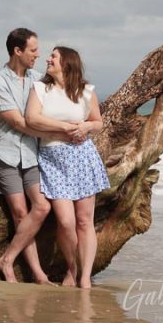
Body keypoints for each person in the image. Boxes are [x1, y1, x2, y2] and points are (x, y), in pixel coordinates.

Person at [0, 28, 78, 284]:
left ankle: (6, 258)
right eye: (33, 50)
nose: (38, 55)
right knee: (19, 212)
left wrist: (83, 119)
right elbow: (19, 122)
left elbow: (60, 95)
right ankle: (35, 273)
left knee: (41, 207)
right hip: (6, 154)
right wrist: (61, 133)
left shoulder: (37, 79)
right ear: (17, 51)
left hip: (31, 154)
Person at [25, 46, 109, 288]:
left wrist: (85, 128)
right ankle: (71, 267)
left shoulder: (86, 91)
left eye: (54, 57)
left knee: (84, 221)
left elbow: (98, 122)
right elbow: (32, 119)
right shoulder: (40, 89)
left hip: (82, 157)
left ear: (67, 63)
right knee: (65, 221)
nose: (48, 60)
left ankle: (83, 277)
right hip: (52, 159)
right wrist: (65, 128)